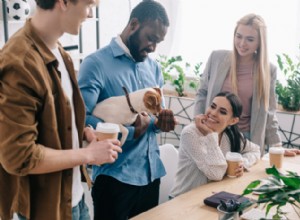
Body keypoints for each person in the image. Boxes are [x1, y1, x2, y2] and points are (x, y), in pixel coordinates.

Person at [0, 1, 123, 220]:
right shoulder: (19, 62)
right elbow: (19, 156)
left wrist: (80, 134)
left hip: (74, 201)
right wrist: (87, 154)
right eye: (88, 4)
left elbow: (53, 122)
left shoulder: (59, 53)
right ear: (64, 3)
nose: (89, 14)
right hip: (44, 211)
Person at [78, 0, 176, 219]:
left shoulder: (154, 67)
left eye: (158, 42)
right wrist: (131, 132)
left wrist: (160, 123)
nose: (153, 47)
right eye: (151, 38)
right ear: (134, 24)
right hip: (115, 179)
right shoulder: (95, 64)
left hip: (151, 176)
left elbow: (153, 119)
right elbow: (79, 119)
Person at [194, 13, 284, 156]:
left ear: (260, 42)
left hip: (246, 140)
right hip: (213, 133)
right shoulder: (216, 58)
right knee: (212, 175)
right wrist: (198, 125)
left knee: (241, 178)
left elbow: (269, 110)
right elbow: (202, 93)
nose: (242, 43)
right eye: (239, 36)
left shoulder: (268, 70)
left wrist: (277, 146)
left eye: (250, 39)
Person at [170, 92, 261, 198]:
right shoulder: (190, 133)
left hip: (211, 196)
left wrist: (242, 164)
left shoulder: (230, 135)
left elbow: (255, 150)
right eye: (212, 106)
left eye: (222, 112)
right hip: (183, 199)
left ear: (233, 121)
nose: (213, 113)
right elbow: (216, 174)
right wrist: (210, 134)